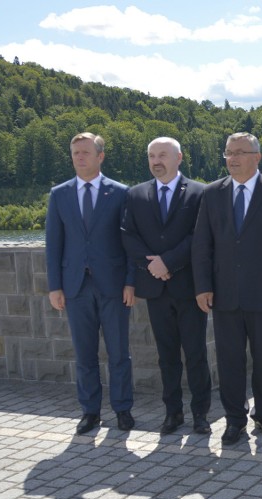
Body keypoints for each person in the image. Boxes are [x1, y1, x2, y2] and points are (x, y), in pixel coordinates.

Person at [191, 132, 262, 446]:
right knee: (229, 360)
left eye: (240, 152)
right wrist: (203, 287)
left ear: (257, 157)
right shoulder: (212, 194)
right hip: (224, 294)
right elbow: (202, 245)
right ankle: (235, 419)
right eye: (228, 152)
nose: (233, 158)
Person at [45, 132, 136, 435]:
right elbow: (54, 244)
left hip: (113, 286)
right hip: (75, 288)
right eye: (75, 152)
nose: (79, 157)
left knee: (119, 353)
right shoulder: (59, 194)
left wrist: (130, 282)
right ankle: (90, 412)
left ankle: (123, 410)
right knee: (85, 355)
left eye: (85, 152)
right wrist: (54, 286)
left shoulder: (121, 193)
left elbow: (130, 243)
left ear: (100, 156)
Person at [121, 137, 212, 436]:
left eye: (162, 155)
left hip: (189, 288)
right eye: (151, 156)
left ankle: (201, 414)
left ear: (179, 158)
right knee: (167, 355)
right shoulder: (135, 195)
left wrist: (168, 262)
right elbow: (128, 235)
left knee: (196, 353)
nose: (156, 161)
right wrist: (151, 265)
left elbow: (199, 236)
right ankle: (173, 413)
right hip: (156, 290)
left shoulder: (200, 192)